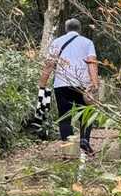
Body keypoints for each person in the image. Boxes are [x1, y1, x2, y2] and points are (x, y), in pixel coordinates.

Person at [41, 18, 99, 154]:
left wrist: (42, 83)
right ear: (80, 29)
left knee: (65, 116)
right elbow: (92, 63)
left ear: (66, 29)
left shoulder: (56, 42)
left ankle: (68, 149)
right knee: (86, 114)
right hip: (82, 85)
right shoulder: (87, 42)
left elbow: (49, 65)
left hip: (61, 84)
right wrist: (94, 83)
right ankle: (84, 141)